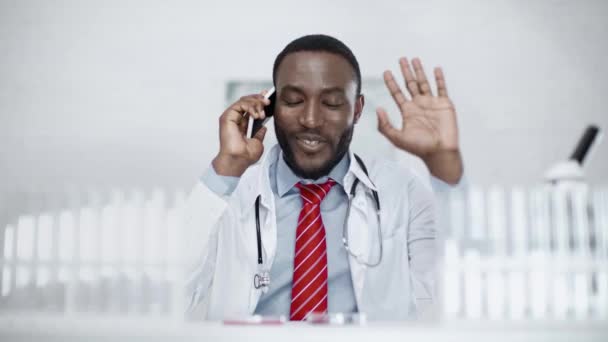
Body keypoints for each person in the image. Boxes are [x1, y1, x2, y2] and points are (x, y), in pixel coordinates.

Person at [183, 34, 464, 321]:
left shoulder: (402, 190)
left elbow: (462, 280)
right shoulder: (229, 191)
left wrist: (443, 165)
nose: (311, 120)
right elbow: (174, 287)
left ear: (356, 110)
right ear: (270, 108)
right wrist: (227, 166)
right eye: (293, 101)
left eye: (331, 103)